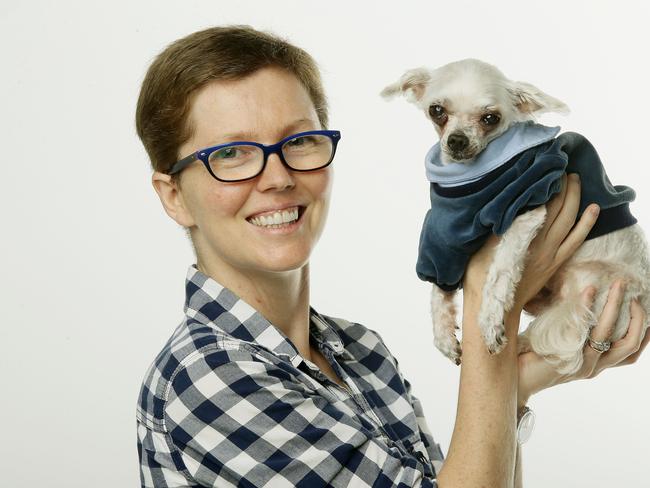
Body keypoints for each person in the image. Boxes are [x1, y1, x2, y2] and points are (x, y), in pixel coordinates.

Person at [134, 25, 649, 488]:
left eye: (301, 140)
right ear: (174, 195)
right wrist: (490, 302)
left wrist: (516, 388)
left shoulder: (360, 353)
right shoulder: (211, 378)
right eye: (230, 153)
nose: (278, 176)